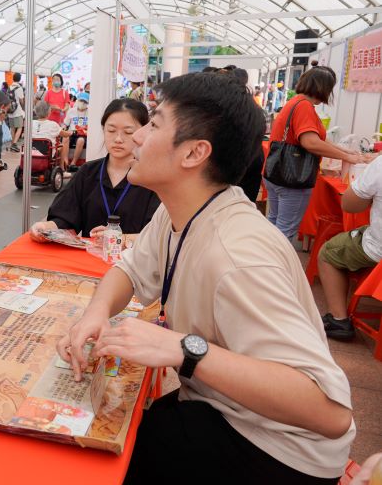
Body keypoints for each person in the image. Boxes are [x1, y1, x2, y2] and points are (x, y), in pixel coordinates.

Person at [58, 72, 354, 483]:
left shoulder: (238, 257)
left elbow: (330, 413)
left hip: (278, 450)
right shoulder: (180, 207)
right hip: (222, 408)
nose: (137, 138)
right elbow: (128, 269)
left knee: (99, 459)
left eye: (154, 123)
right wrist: (96, 312)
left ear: (195, 153)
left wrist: (185, 349)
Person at [31, 98, 159, 240]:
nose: (118, 139)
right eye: (111, 130)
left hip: (133, 261)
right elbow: (64, 220)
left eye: (128, 132)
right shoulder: (87, 173)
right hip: (87, 260)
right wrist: (44, 228)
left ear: (142, 133)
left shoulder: (152, 180)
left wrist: (122, 239)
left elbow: (159, 237)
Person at [264, 67, 365, 240]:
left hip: (276, 174)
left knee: (274, 225)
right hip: (292, 179)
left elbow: (314, 138)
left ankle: (261, 263)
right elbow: (310, 142)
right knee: (284, 232)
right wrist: (347, 157)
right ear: (323, 88)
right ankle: (273, 266)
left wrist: (345, 150)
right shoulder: (304, 107)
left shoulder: (295, 102)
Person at [318, 154, 382, 341]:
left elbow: (349, 205)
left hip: (377, 248)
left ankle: (339, 319)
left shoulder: (379, 164)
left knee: (329, 252)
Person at [60, 91, 90, 169]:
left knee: (80, 140)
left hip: (83, 135)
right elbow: (65, 124)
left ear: (88, 103)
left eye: (85, 102)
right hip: (72, 132)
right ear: (77, 101)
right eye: (81, 101)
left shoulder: (90, 112)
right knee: (65, 137)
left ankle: (73, 163)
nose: (82, 103)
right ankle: (65, 162)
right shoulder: (71, 111)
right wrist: (63, 130)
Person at [8, 72, 26, 151]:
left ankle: (12, 143)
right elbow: (21, 101)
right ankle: (14, 144)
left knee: (12, 128)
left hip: (10, 111)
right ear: (19, 79)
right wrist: (23, 107)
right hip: (17, 111)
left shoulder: (9, 87)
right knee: (19, 127)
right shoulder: (19, 88)